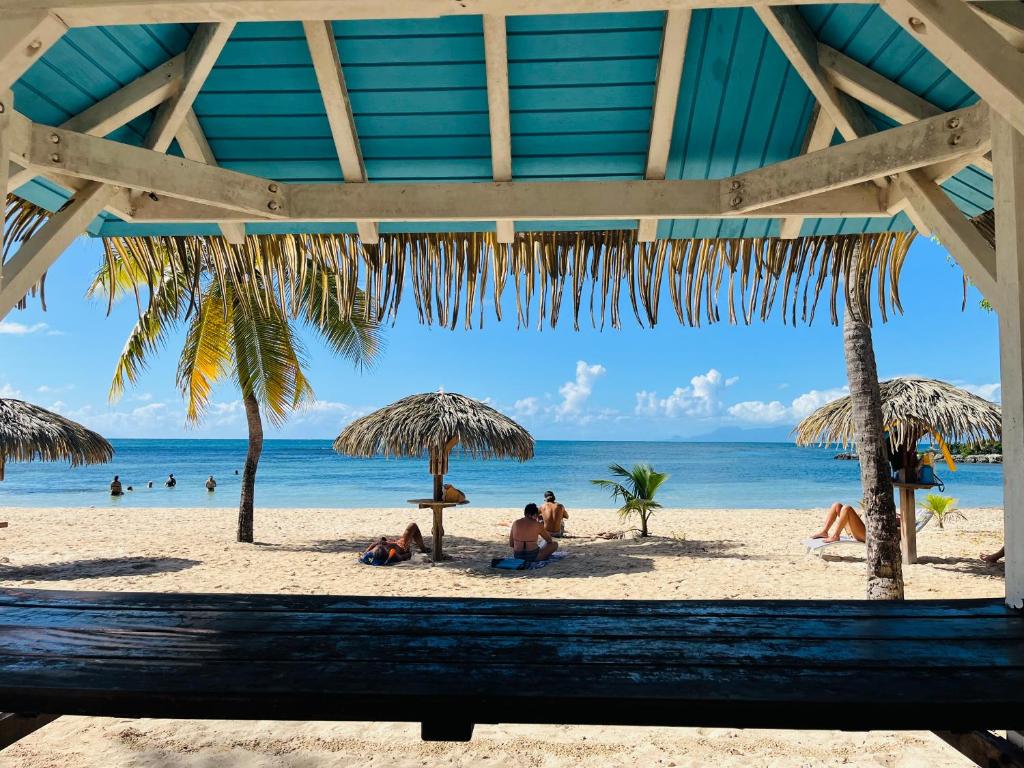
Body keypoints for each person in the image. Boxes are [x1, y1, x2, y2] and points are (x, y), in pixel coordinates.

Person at [361, 522, 428, 565]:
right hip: (401, 546)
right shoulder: (394, 555)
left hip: (392, 545)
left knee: (380, 540)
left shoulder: (369, 554)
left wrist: (367, 550)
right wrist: (408, 551)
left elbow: (373, 545)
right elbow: (407, 555)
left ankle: (387, 541)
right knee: (413, 526)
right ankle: (423, 549)